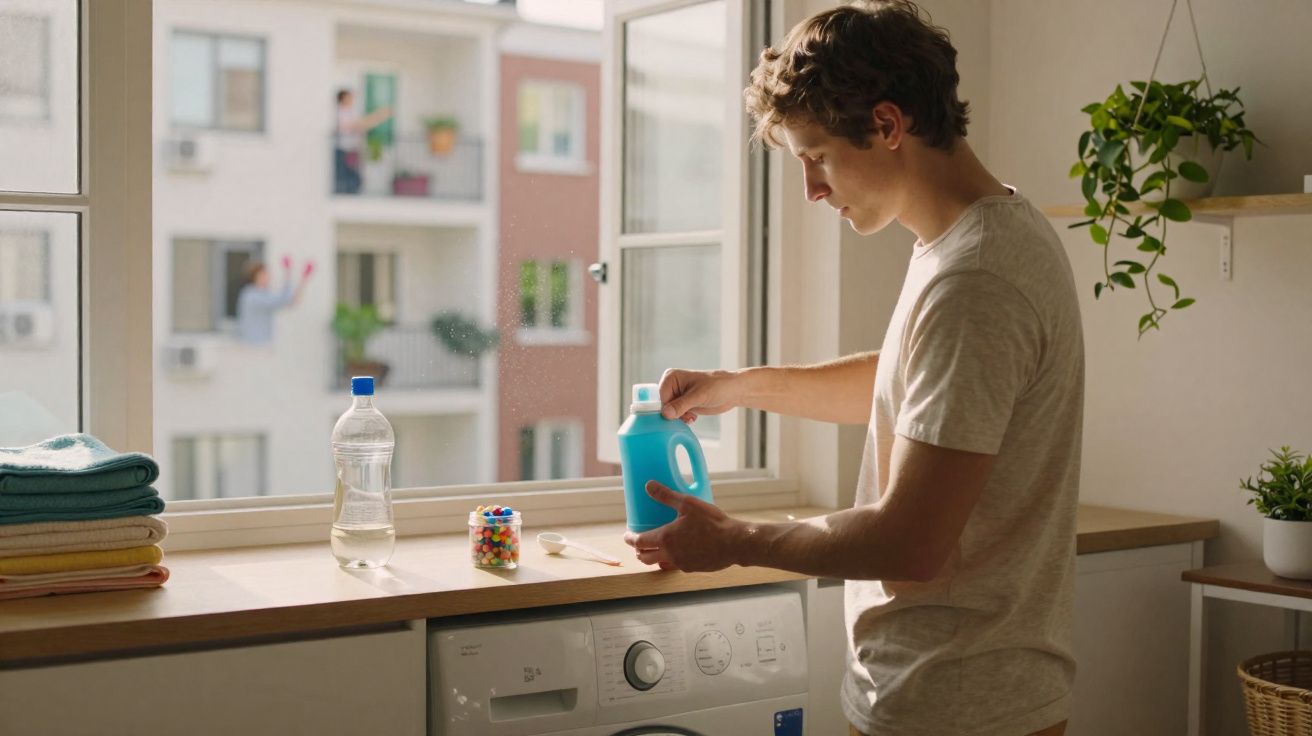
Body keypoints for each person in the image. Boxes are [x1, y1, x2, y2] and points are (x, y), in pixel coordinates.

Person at [622, 3, 1084, 735]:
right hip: (957, 691)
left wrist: (734, 540)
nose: (810, 189)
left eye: (818, 156)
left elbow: (909, 545)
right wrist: (741, 387)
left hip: (958, 703)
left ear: (889, 125)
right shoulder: (985, 235)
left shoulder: (976, 279)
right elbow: (915, 384)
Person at [235, 256, 313, 344]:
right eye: (264, 274)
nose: (268, 277)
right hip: (253, 345)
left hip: (260, 344)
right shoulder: (251, 296)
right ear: (255, 277)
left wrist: (304, 280)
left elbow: (292, 301)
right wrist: (288, 273)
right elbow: (283, 300)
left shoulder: (261, 293)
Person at [334, 88, 393, 194]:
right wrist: (379, 116)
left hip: (350, 149)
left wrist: (379, 117)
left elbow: (361, 125)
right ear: (343, 99)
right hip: (342, 149)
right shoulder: (340, 112)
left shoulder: (348, 112)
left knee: (355, 178)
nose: (352, 100)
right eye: (349, 97)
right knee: (350, 178)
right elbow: (356, 125)